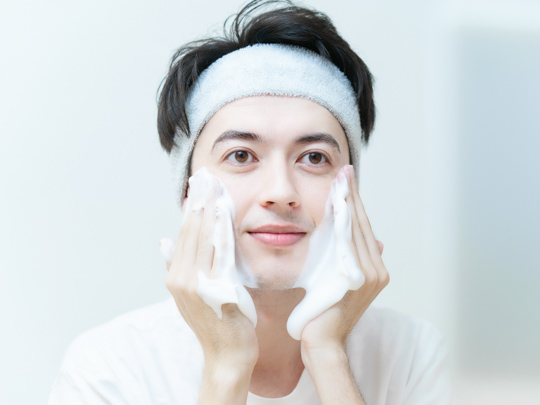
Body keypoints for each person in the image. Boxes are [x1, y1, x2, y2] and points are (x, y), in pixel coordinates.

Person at [49, 1, 449, 404]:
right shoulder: (109, 369)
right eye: (241, 155)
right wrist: (227, 368)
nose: (281, 192)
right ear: (188, 191)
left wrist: (327, 355)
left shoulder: (413, 355)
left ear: (350, 193)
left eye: (314, 158)